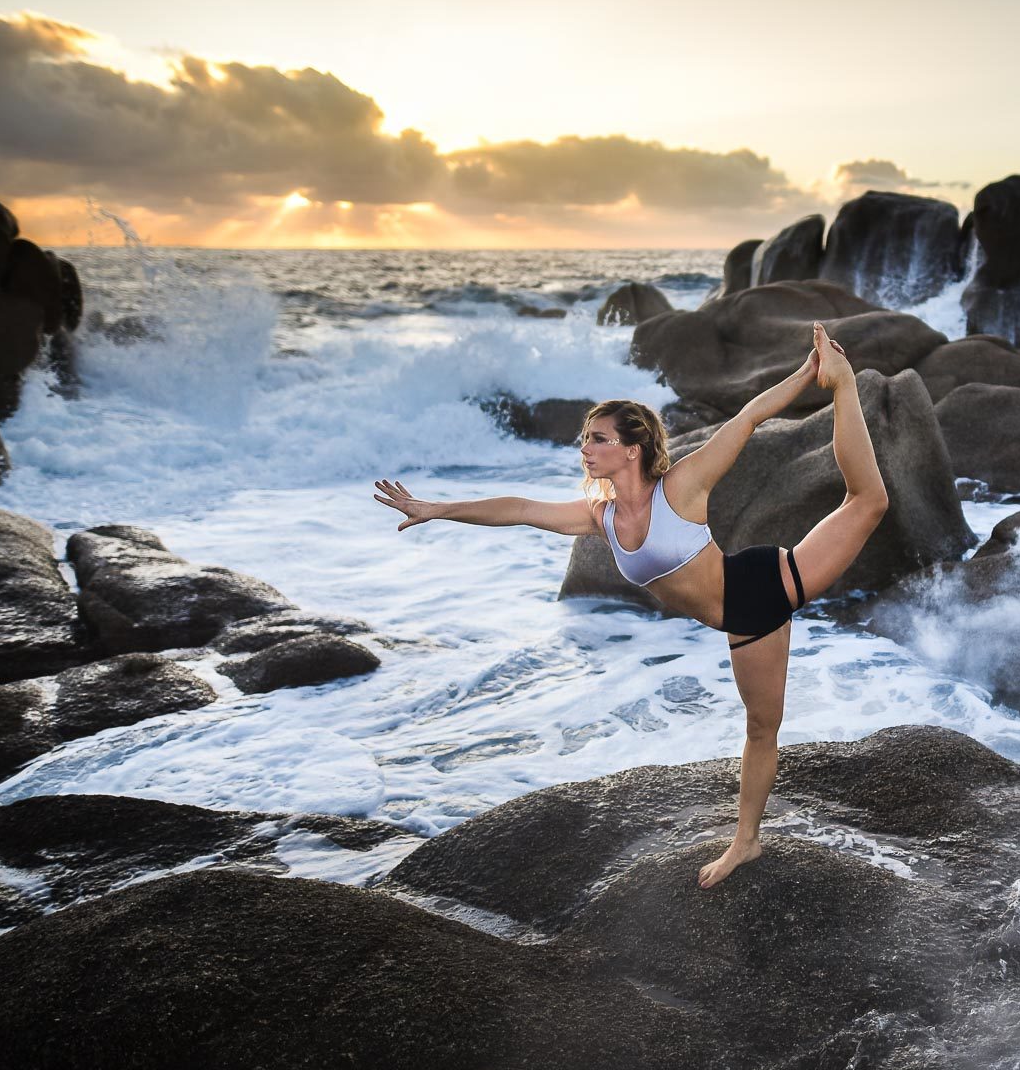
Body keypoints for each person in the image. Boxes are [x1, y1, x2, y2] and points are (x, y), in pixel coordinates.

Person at [373, 322, 888, 888]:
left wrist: (807, 374)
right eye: (585, 439)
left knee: (868, 501)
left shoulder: (683, 486)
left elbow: (749, 418)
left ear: (633, 448)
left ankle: (842, 385)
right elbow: (520, 507)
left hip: (766, 588)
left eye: (598, 438)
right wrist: (437, 508)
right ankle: (749, 839)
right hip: (738, 612)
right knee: (761, 724)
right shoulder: (603, 516)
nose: (586, 448)